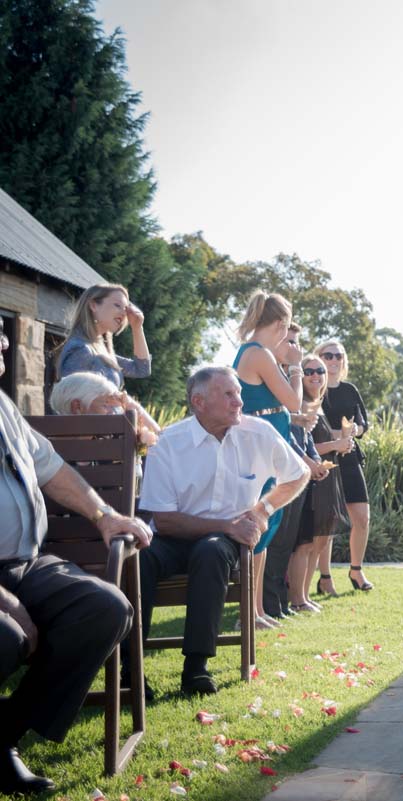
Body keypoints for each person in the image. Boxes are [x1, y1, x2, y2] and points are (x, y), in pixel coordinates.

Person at [0, 331, 153, 794]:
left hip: (26, 562)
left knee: (105, 608)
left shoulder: (4, 407)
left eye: (4, 339)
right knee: (6, 637)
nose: (4, 345)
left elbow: (52, 469)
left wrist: (104, 515)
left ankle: (4, 734)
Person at [136, 366, 309, 695]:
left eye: (238, 393)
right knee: (140, 558)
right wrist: (227, 525)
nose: (239, 402)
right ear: (199, 402)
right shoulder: (169, 442)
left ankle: (196, 668)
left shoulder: (257, 433)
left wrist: (262, 510)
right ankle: (131, 669)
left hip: (224, 542)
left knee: (212, 550)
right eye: (229, 394)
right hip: (173, 536)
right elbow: (165, 520)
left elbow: (298, 474)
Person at [232, 291, 304, 629]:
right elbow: (293, 401)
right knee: (259, 526)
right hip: (260, 450)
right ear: (280, 324)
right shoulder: (258, 354)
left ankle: (256, 610)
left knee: (266, 527)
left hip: (268, 446)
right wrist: (297, 367)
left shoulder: (258, 353)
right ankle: (247, 613)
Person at [262, 326, 329, 620]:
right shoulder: (273, 375)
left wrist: (314, 460)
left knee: (286, 542)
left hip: (297, 473)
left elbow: (301, 432)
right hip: (279, 471)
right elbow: (282, 432)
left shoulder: (290, 377)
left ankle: (280, 604)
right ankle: (267, 605)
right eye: (289, 341)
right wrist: (307, 462)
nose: (294, 348)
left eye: (295, 342)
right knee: (274, 541)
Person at [290, 355, 352, 611]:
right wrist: (337, 444)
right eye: (309, 371)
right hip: (311, 481)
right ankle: (297, 598)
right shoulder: (301, 405)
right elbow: (304, 446)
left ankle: (304, 596)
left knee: (319, 543)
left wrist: (342, 444)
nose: (316, 375)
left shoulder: (320, 405)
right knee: (306, 543)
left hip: (326, 478)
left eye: (320, 371)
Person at [57, 283, 159, 438]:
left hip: (109, 436)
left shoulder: (101, 350)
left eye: (125, 308)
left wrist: (137, 327)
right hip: (92, 442)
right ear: (93, 305)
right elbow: (71, 404)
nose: (124, 313)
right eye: (117, 305)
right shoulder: (81, 350)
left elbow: (142, 369)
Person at [317, 339, 373, 592]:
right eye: (328, 356)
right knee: (328, 522)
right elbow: (312, 427)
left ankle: (356, 571)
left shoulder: (350, 390)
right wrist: (337, 435)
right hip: (325, 458)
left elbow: (364, 423)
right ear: (319, 358)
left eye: (338, 356)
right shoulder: (313, 388)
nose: (334, 360)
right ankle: (325, 578)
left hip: (350, 458)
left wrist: (354, 430)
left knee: (362, 518)